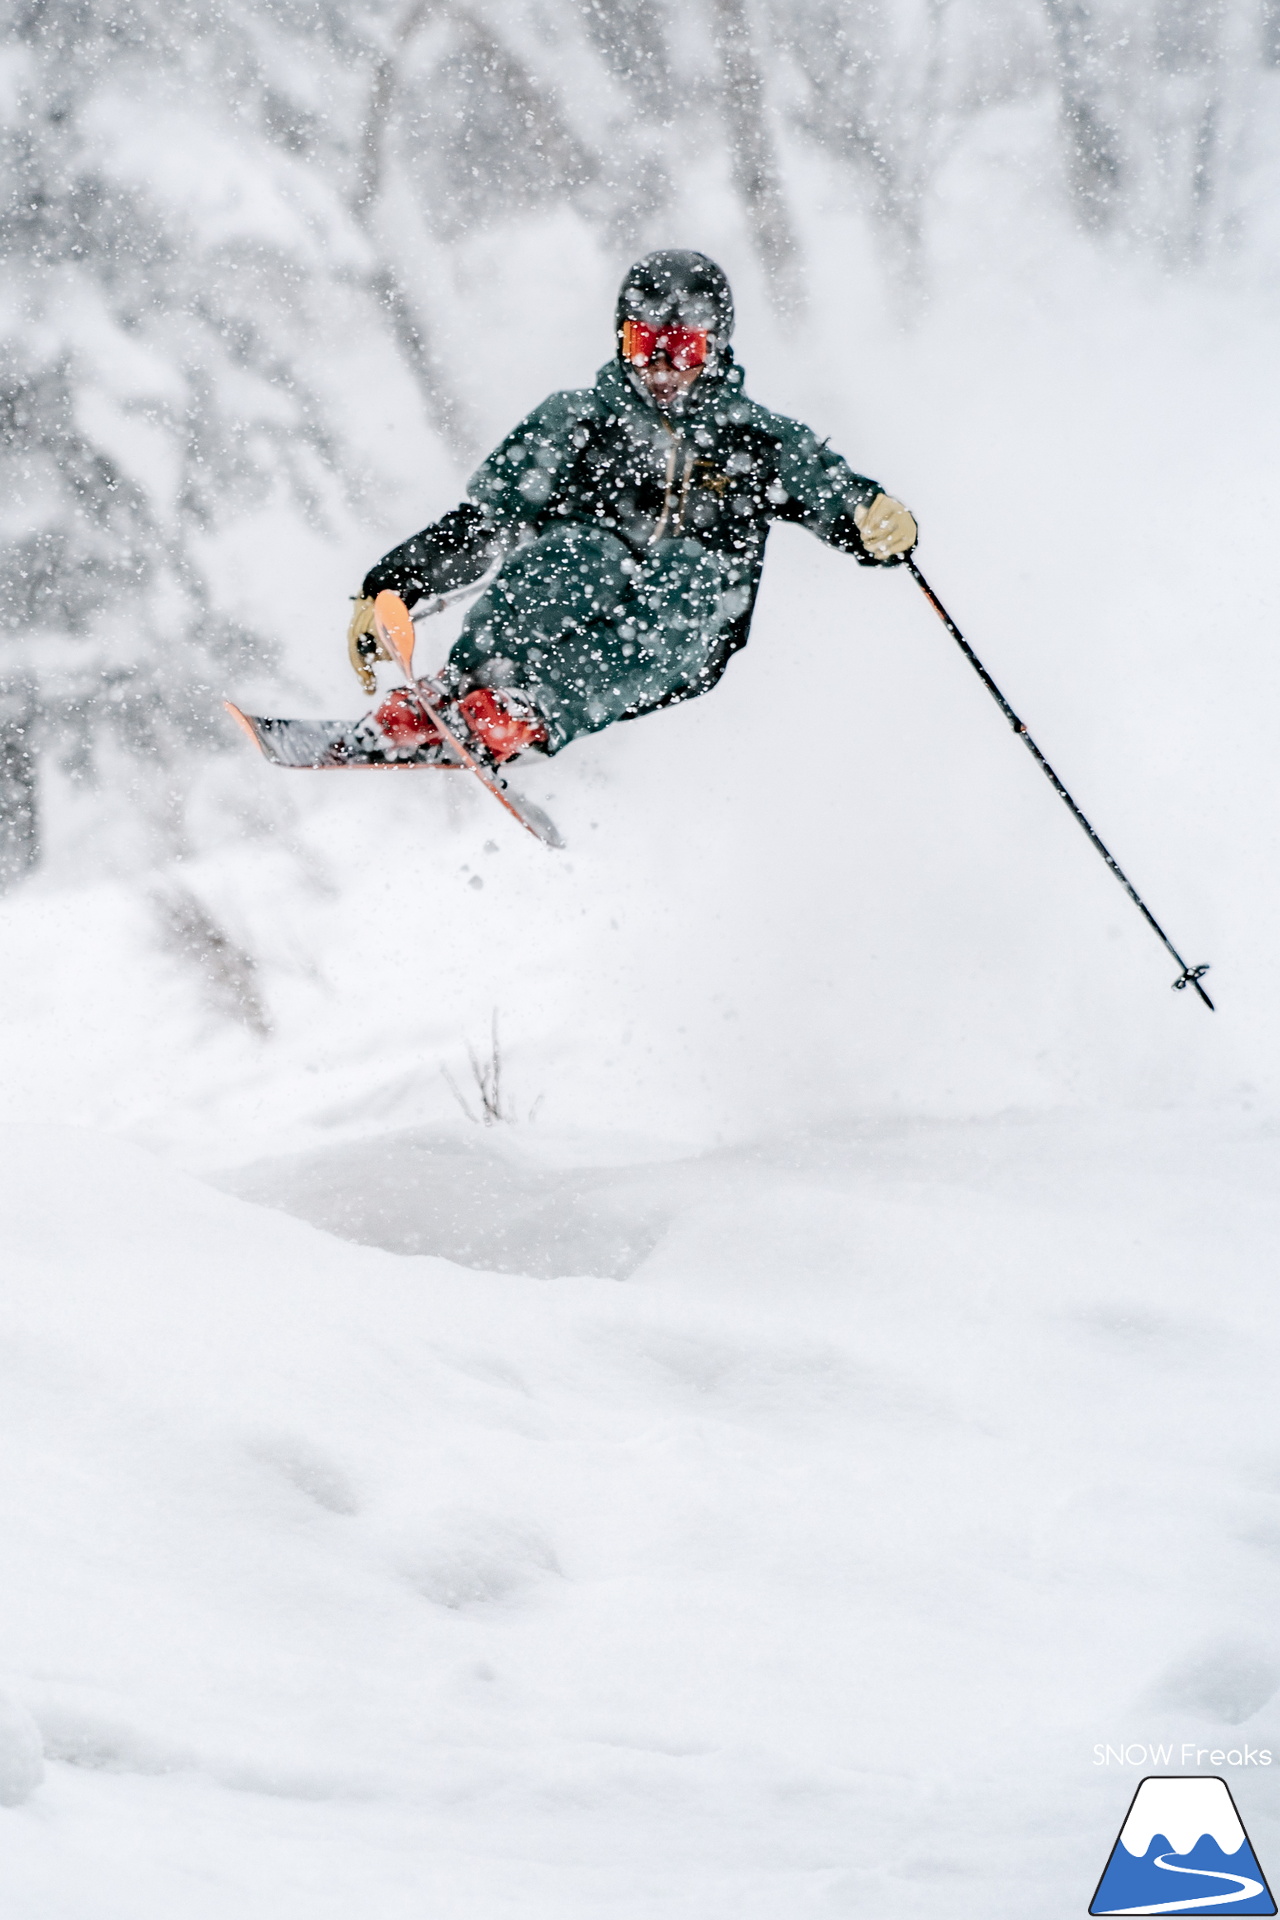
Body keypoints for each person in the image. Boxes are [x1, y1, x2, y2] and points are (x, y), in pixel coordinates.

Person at [346, 250, 917, 765]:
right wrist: (393, 584)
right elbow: (486, 521)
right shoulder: (577, 422)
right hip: (575, 598)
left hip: (680, 636)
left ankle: (526, 708)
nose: (662, 368)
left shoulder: (754, 440)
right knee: (580, 549)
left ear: (715, 347)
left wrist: (873, 520)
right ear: (622, 340)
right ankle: (461, 689)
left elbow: (829, 492)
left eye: (683, 348)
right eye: (645, 345)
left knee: (688, 569)